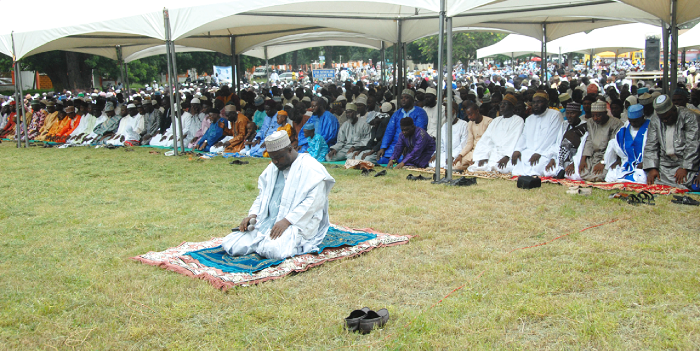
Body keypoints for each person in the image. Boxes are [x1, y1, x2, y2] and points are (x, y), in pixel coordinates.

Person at [222, 131, 335, 260]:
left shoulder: (311, 168)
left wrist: (287, 221)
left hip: (297, 223)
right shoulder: (272, 168)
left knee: (273, 250)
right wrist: (252, 215)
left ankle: (266, 242)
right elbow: (262, 196)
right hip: (267, 222)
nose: (275, 161)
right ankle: (261, 239)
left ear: (289, 149)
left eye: (279, 157)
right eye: (272, 158)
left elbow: (314, 202)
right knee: (231, 244)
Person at [643, 94, 700, 189]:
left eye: (667, 117)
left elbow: (693, 145)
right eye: (662, 118)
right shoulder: (655, 119)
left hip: (685, 163)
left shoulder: (690, 117)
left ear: (674, 110)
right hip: (664, 164)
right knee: (653, 181)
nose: (664, 121)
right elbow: (651, 145)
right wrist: (652, 168)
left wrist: (685, 167)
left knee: (691, 184)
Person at [511, 91, 566, 176]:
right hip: (529, 152)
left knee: (542, 167)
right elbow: (524, 136)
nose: (536, 105)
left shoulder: (555, 115)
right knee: (516, 161)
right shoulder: (529, 119)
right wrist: (517, 149)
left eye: (539, 102)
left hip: (547, 152)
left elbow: (552, 137)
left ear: (546, 103)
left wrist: (539, 152)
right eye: (534, 102)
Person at [468, 93, 525, 173]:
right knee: (475, 166)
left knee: (509, 167)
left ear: (512, 107)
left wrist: (507, 156)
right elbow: (486, 139)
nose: (501, 106)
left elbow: (513, 139)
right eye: (501, 104)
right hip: (493, 153)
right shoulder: (496, 120)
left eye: (505, 104)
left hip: (508, 154)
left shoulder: (518, 120)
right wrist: (482, 156)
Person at [377, 89, 429, 164]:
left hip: (411, 145)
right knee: (381, 159)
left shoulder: (420, 112)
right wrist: (383, 147)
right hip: (395, 145)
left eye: (406, 98)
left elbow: (420, 132)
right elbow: (389, 131)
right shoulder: (397, 114)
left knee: (406, 159)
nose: (403, 100)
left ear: (412, 100)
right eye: (402, 98)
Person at [578, 101, 624, 182]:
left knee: (598, 176)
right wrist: (583, 159)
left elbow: (612, 145)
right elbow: (589, 141)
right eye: (593, 115)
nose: (595, 118)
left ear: (605, 113)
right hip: (593, 155)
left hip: (609, 156)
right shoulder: (591, 122)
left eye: (598, 115)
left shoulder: (616, 123)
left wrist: (603, 162)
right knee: (581, 173)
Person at [604, 105, 649, 183]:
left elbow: (655, 149)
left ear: (642, 117)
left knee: (642, 178)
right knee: (610, 176)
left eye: (635, 121)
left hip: (644, 166)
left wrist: (646, 163)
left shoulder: (650, 127)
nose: (633, 123)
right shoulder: (626, 127)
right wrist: (618, 158)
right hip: (627, 164)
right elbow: (616, 144)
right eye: (631, 121)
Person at [547, 102, 589, 180]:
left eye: (572, 113)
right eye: (567, 113)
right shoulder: (564, 124)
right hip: (562, 158)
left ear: (579, 113)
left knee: (575, 175)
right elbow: (558, 143)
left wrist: (574, 163)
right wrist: (553, 158)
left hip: (576, 158)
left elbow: (582, 148)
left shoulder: (585, 127)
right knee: (548, 171)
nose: (569, 116)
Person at [452, 101, 491, 170]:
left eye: (471, 114)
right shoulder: (470, 124)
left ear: (477, 111)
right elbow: (469, 143)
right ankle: (471, 166)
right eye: (468, 115)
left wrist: (478, 156)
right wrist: (461, 155)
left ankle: (473, 166)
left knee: (482, 166)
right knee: (455, 166)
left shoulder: (489, 122)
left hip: (485, 152)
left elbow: (489, 143)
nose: (469, 117)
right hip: (473, 152)